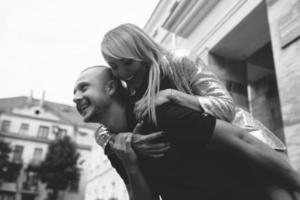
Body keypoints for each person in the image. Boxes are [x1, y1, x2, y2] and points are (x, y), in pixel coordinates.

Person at [73, 66, 300, 200]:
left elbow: (242, 140)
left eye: (83, 88)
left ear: (111, 88)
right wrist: (131, 165)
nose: (75, 97)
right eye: (74, 92)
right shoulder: (116, 146)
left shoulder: (158, 112)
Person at [101, 23, 286, 152]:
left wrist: (172, 95)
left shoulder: (179, 61)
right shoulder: (130, 92)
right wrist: (128, 141)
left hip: (254, 148)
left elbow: (227, 108)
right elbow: (103, 129)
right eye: (114, 66)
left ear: (143, 53)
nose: (122, 73)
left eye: (127, 62)